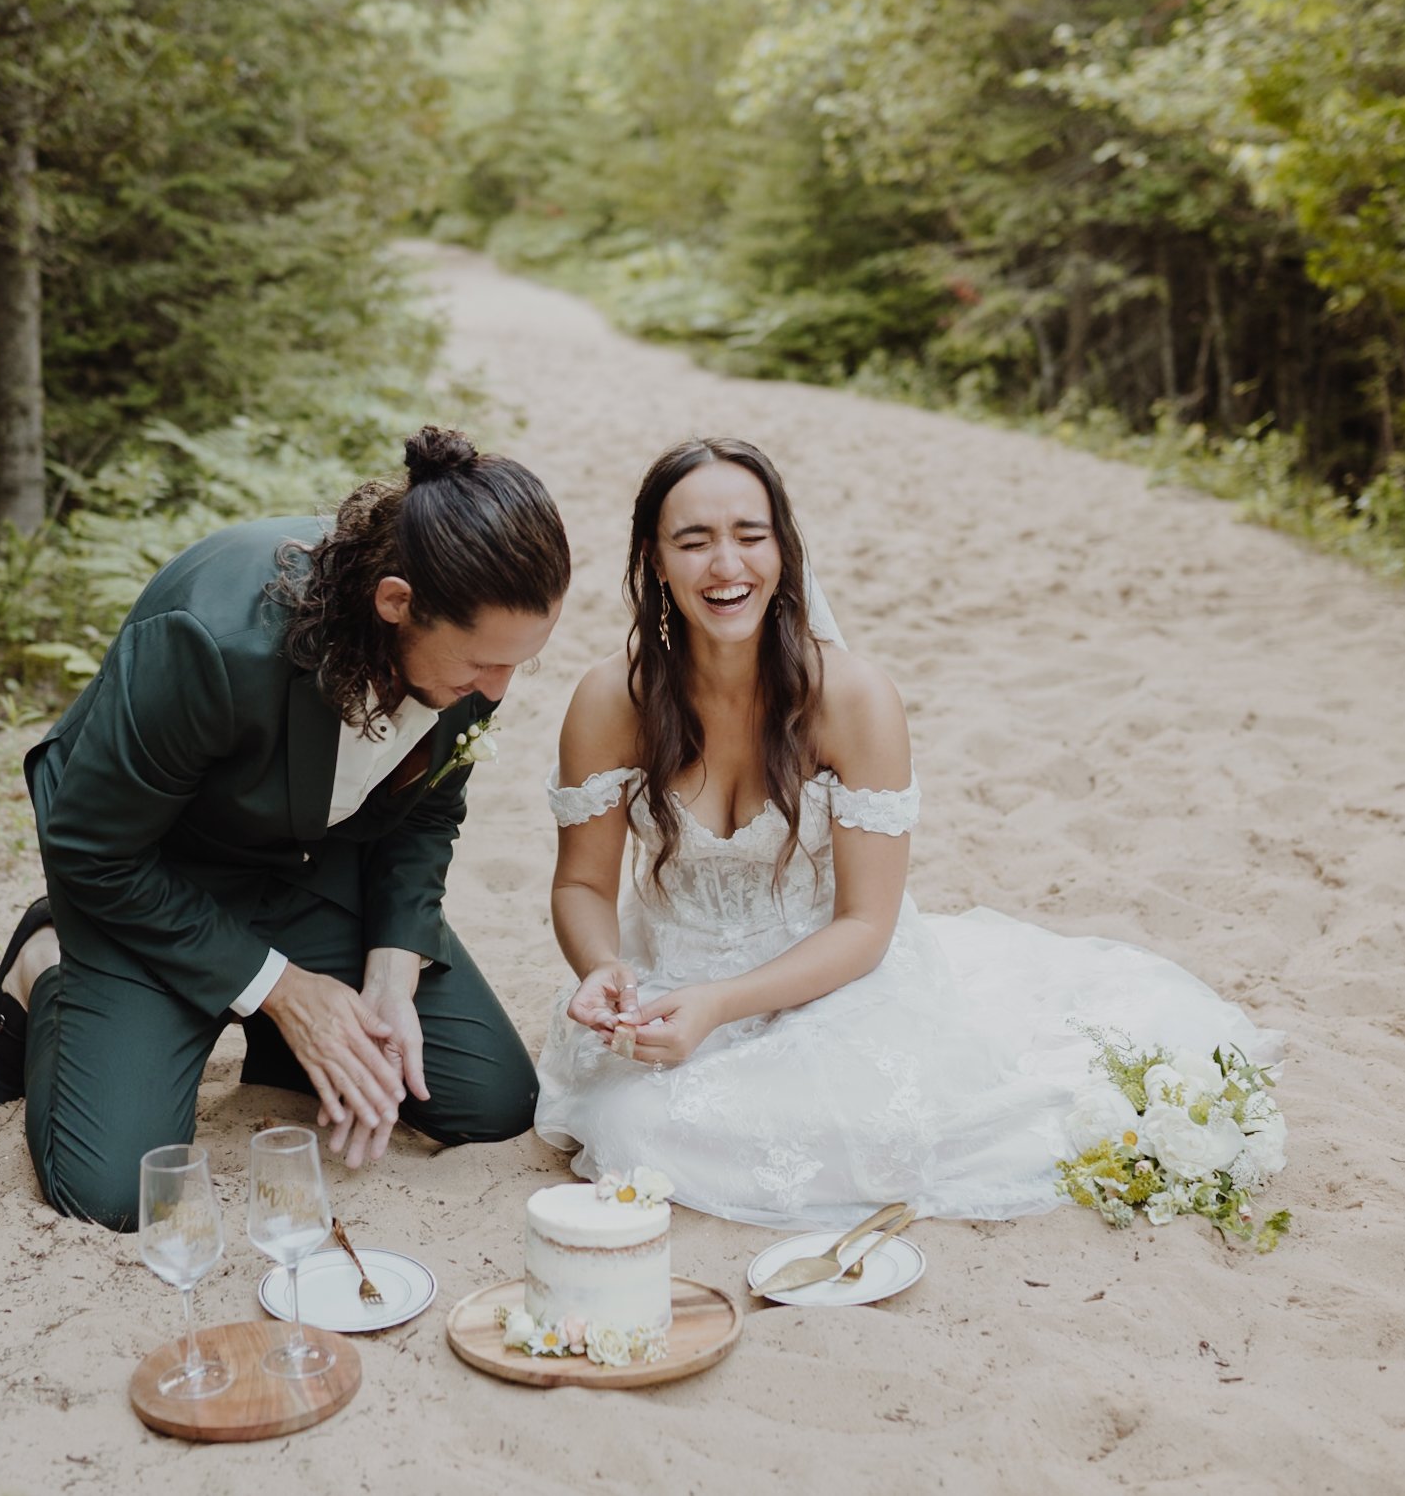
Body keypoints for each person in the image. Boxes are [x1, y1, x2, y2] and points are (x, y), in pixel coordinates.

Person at [534, 437, 1281, 1231]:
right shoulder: (610, 700)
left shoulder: (854, 699)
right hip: (668, 985)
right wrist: (605, 968)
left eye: (751, 535)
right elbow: (582, 883)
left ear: (783, 548)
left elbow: (866, 925)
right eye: (694, 541)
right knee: (630, 1126)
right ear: (653, 558)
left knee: (845, 1124)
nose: (727, 565)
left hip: (835, 980)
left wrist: (720, 1004)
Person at [0, 427, 568, 1230]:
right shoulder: (210, 639)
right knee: (118, 1193)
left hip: (312, 866)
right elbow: (90, 847)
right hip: (156, 878)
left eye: (519, 661)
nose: (497, 688)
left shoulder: (476, 651)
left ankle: (283, 1035)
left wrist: (391, 966)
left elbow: (427, 812)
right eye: (483, 665)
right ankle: (48, 968)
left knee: (492, 1102)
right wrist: (283, 988)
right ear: (396, 602)